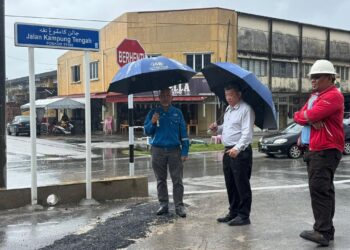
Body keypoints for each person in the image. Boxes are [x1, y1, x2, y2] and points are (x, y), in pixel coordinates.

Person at [294, 59, 344, 247]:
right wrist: (307, 118)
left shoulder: (332, 96)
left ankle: (322, 232)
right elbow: (299, 115)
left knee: (319, 190)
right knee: (324, 189)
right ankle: (326, 230)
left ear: (330, 78)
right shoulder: (316, 97)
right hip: (317, 148)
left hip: (326, 149)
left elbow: (310, 115)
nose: (313, 80)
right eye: (311, 77)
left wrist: (308, 116)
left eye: (317, 77)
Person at [208, 83, 255, 226]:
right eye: (226, 95)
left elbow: (247, 133)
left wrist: (238, 148)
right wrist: (217, 128)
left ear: (238, 95)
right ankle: (233, 212)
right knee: (230, 184)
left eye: (231, 95)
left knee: (241, 184)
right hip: (228, 151)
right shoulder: (228, 109)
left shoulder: (246, 109)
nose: (228, 98)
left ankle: (244, 215)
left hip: (240, 152)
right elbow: (228, 129)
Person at [144, 88, 189, 218]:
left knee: (177, 180)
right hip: (157, 150)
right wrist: (152, 122)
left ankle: (179, 206)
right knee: (160, 180)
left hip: (175, 150)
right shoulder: (153, 112)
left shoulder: (177, 113)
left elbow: (183, 134)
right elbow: (147, 131)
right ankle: (163, 205)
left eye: (167, 95)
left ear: (171, 97)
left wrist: (185, 150)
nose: (165, 97)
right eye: (162, 95)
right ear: (158, 97)